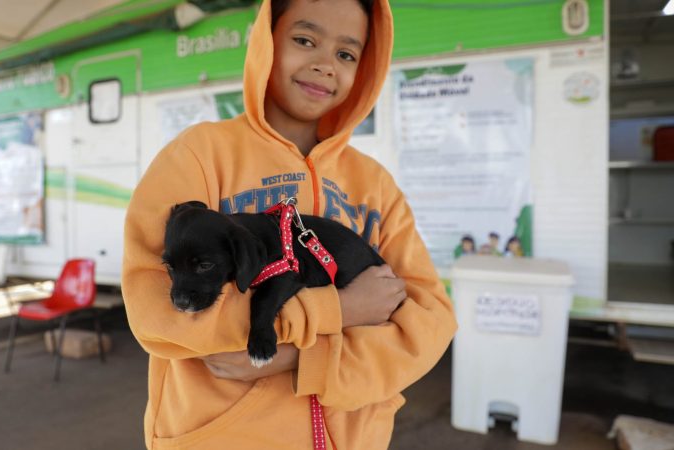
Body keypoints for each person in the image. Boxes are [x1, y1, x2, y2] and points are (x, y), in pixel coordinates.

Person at [122, 0, 457, 448]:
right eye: (304, 40)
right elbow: (159, 312)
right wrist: (338, 311)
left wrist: (303, 357)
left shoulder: (374, 185)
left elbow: (430, 323)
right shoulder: (199, 155)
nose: (324, 65)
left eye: (346, 54)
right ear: (266, 44)